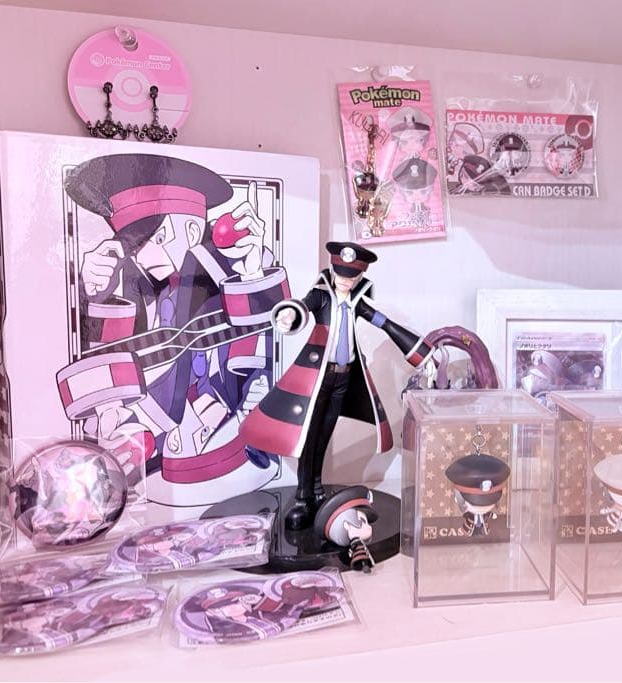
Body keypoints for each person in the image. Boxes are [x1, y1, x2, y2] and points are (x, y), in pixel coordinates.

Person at [61, 154, 289, 506]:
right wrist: (93, 293)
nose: (140, 256)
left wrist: (253, 274)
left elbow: (277, 330)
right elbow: (108, 362)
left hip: (230, 434)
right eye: (132, 245)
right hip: (157, 443)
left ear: (193, 231)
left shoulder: (233, 271)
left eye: (154, 238)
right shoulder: (136, 287)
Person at [240, 242, 432, 529]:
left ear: (359, 276)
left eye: (351, 276)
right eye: (340, 273)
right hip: (318, 378)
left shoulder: (356, 303)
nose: (344, 280)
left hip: (344, 379)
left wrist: (421, 353)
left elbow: (385, 324)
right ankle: (303, 496)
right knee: (309, 437)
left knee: (324, 436)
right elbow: (302, 307)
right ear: (332, 269)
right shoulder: (322, 297)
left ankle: (317, 489)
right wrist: (289, 314)